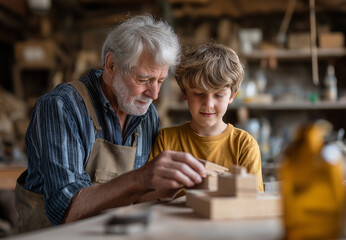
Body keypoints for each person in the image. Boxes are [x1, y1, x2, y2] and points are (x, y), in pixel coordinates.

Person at [14, 14, 206, 233]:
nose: (154, 93)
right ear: (111, 65)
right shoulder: (62, 107)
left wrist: (168, 187)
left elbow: (136, 200)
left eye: (160, 81)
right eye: (143, 80)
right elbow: (65, 210)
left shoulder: (147, 115)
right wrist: (143, 178)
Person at [148, 42, 264, 194]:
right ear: (184, 93)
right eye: (198, 93)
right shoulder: (166, 140)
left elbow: (253, 201)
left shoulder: (244, 145)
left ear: (232, 96)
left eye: (219, 95)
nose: (208, 104)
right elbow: (149, 196)